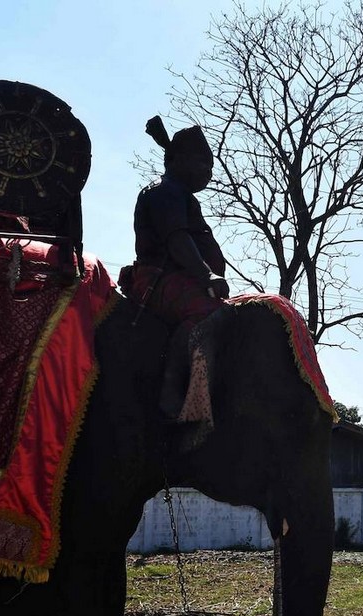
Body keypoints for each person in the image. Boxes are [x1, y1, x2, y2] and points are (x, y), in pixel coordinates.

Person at [119, 116, 231, 417]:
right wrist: (206, 274)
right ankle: (174, 391)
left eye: (210, 166)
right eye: (203, 163)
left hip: (182, 281)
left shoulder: (180, 195)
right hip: (159, 281)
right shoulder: (163, 192)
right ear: (179, 160)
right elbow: (177, 239)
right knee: (209, 313)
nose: (208, 172)